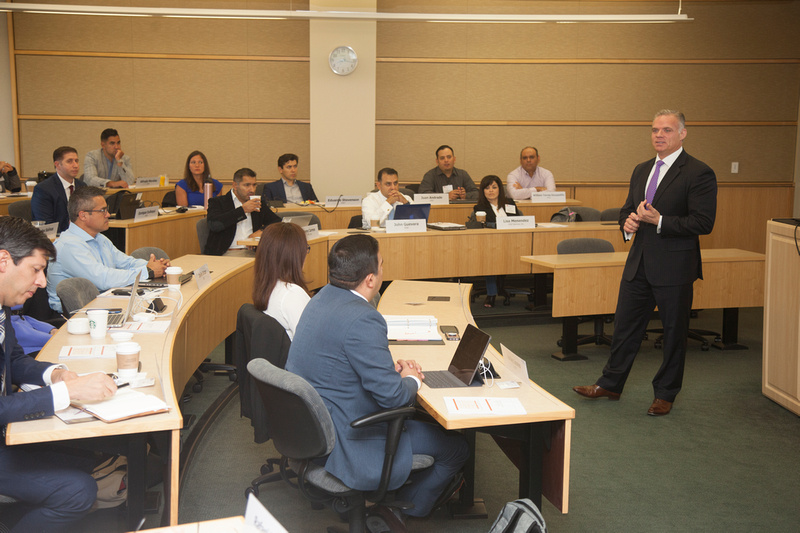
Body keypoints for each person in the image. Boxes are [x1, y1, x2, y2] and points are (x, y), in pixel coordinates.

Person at [286, 234, 468, 527]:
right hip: (349, 437)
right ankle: (403, 511)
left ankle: (389, 497)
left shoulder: (320, 298)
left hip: (314, 428)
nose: (384, 269)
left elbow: (342, 363)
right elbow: (395, 398)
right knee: (456, 447)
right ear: (370, 279)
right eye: (382, 264)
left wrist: (388, 373)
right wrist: (411, 380)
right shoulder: (364, 319)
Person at [573, 110, 717, 416]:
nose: (659, 135)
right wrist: (628, 225)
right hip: (639, 262)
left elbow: (704, 222)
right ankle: (610, 383)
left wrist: (660, 220)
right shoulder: (641, 170)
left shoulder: (698, 172)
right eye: (654, 130)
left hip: (674, 267)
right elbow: (626, 210)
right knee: (624, 328)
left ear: (682, 134)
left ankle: (665, 393)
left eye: (666, 129)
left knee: (674, 334)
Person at [0, 216, 118, 532]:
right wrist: (70, 393)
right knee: (78, 490)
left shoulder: (3, 305)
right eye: (36, 270)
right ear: (3, 261)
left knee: (95, 457)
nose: (41, 282)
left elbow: (13, 359)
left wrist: (56, 374)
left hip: (5, 431)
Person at [46, 186, 170, 312]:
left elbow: (126, 263)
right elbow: (103, 279)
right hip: (75, 315)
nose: (108, 215)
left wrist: (157, 266)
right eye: (103, 211)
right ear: (83, 215)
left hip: (102, 302)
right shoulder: (69, 246)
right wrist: (147, 271)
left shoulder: (99, 238)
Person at [252, 223, 311, 340]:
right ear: (294, 254)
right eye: (305, 248)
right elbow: (312, 343)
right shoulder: (292, 294)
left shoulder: (268, 286)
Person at [470, 175, 521, 308]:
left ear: (500, 189)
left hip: (513, 243)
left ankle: (498, 289)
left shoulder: (510, 203)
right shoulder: (479, 208)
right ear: (483, 191)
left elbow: (518, 222)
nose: (491, 191)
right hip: (489, 245)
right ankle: (491, 294)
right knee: (490, 257)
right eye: (487, 188)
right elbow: (481, 228)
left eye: (494, 187)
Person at [205, 168, 281, 256]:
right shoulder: (218, 202)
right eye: (247, 185)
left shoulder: (257, 202)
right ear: (235, 185)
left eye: (254, 185)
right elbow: (214, 225)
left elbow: (277, 222)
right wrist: (242, 210)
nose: (252, 190)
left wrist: (261, 231)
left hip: (253, 253)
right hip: (227, 253)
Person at [31, 146, 87, 233]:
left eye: (76, 161)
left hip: (81, 236)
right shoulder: (44, 189)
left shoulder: (82, 186)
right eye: (69, 161)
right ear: (57, 165)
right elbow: (46, 224)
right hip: (57, 238)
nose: (75, 165)